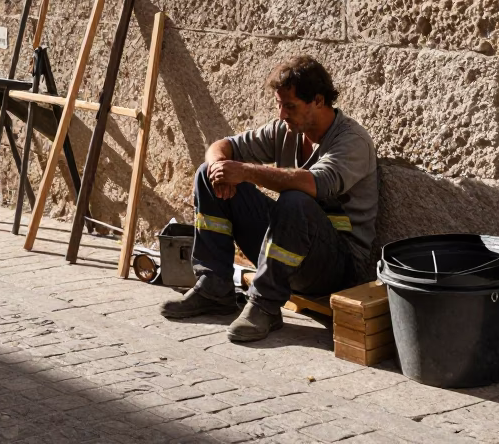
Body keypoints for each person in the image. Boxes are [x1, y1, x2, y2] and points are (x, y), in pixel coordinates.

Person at [160, 55, 379, 342]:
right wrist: (219, 170)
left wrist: (245, 172)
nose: (282, 115)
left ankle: (265, 305)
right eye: (279, 105)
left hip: (338, 266)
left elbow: (314, 183)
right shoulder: (287, 130)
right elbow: (222, 146)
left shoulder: (352, 141)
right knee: (206, 174)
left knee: (295, 199)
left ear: (318, 101)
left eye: (290, 106)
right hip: (292, 246)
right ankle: (214, 287)